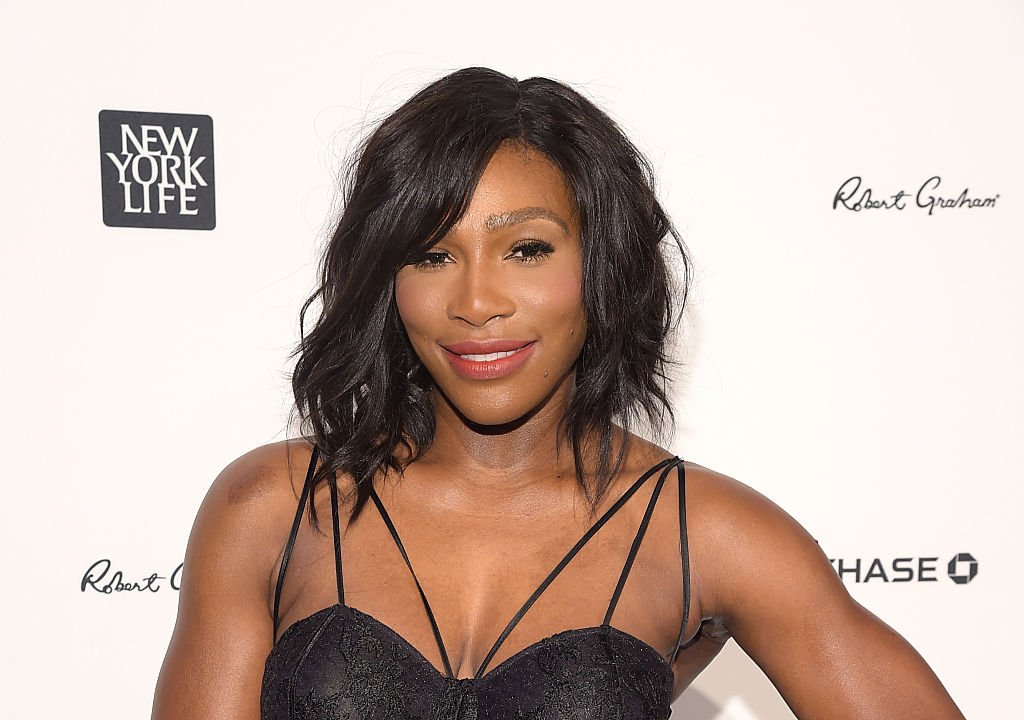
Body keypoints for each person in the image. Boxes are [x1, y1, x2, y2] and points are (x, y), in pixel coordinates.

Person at [152, 67, 965, 720]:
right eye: (432, 256)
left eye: (527, 248)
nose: (476, 301)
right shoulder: (272, 506)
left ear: (601, 265)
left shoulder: (701, 532)